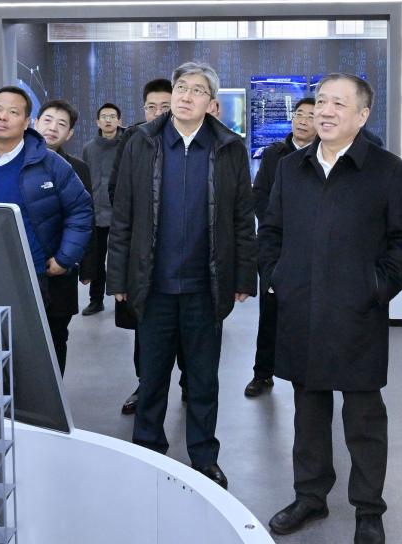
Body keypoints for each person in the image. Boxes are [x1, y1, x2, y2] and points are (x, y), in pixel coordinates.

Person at [259, 74, 402, 544]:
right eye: (321, 102)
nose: (325, 111)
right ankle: (310, 496)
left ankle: (369, 509)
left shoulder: (388, 170)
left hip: (358, 313)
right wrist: (279, 277)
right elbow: (271, 231)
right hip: (301, 308)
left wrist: (376, 287)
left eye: (338, 103)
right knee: (308, 411)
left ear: (362, 115)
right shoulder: (291, 167)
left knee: (364, 417)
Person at [107, 62, 256, 489]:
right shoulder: (141, 142)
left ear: (211, 103)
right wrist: (117, 277)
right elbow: (123, 214)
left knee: (204, 380)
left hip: (205, 286)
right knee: (152, 377)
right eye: (181, 87)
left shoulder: (229, 148)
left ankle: (204, 457)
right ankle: (148, 449)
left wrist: (244, 276)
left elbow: (242, 217)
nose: (186, 96)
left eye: (197, 90)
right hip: (152, 284)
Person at [0, 86, 93, 374]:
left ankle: (36, 404)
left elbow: (80, 210)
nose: (2, 117)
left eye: (13, 112)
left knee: (32, 356)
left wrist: (65, 257)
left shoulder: (50, 164)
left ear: (26, 122)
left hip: (31, 275)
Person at [108, 79, 181, 416]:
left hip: (186, 254)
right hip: (145, 252)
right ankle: (145, 384)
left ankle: (189, 383)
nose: (158, 113)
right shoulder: (135, 139)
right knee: (146, 327)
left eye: (165, 106)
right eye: (151, 107)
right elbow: (117, 191)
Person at [244, 97, 316, 398]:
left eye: (310, 116)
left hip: (314, 247)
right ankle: (263, 373)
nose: (303, 121)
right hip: (277, 246)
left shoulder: (325, 154)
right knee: (270, 311)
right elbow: (259, 195)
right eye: (299, 114)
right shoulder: (275, 154)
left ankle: (314, 372)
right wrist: (276, 226)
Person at [32, 99, 97, 374]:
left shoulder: (78, 168)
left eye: (61, 124)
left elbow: (85, 217)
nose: (52, 128)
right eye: (47, 120)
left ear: (69, 133)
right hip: (25, 264)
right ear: (35, 122)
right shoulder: (15, 162)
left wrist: (86, 265)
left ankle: (55, 395)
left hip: (60, 267)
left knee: (57, 333)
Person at [81, 102, 124, 316]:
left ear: (119, 121)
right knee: (96, 260)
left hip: (120, 214)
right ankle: (95, 300)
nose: (108, 120)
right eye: (104, 116)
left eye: (112, 116)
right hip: (96, 213)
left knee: (120, 259)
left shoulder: (127, 145)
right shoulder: (89, 148)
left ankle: (122, 301)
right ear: (98, 122)